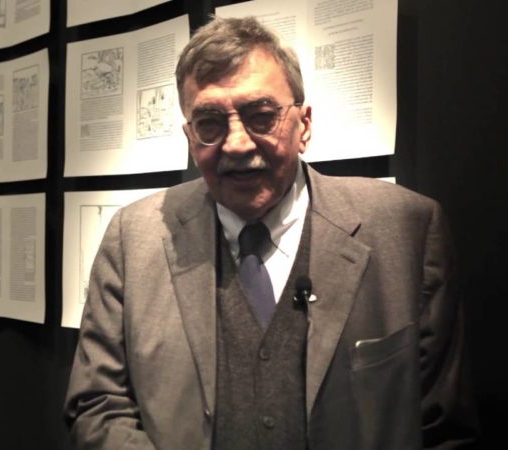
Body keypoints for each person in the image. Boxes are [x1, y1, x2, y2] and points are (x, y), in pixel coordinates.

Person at [65, 16, 477, 450]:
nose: (237, 144)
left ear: (305, 125)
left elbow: (442, 425)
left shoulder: (406, 229)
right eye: (209, 123)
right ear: (190, 137)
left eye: (261, 116)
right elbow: (97, 403)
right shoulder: (133, 237)